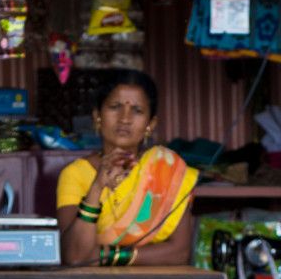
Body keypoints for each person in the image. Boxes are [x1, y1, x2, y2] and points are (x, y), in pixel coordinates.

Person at [57, 70, 199, 267]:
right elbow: (74, 256)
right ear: (97, 116)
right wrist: (97, 187)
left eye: (137, 110)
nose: (125, 118)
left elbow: (179, 252)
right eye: (115, 107)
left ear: (151, 124)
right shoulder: (75, 174)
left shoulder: (167, 170)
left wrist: (108, 256)